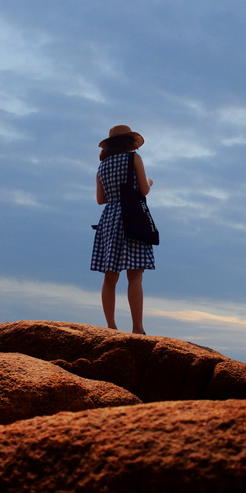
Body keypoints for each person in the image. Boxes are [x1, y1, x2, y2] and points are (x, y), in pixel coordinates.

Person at [90, 125, 155, 335]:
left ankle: (111, 326)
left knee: (110, 276)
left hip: (109, 218)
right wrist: (149, 182)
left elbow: (101, 199)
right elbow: (143, 190)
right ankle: (138, 328)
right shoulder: (133, 158)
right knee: (135, 274)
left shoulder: (101, 167)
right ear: (129, 142)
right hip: (131, 216)